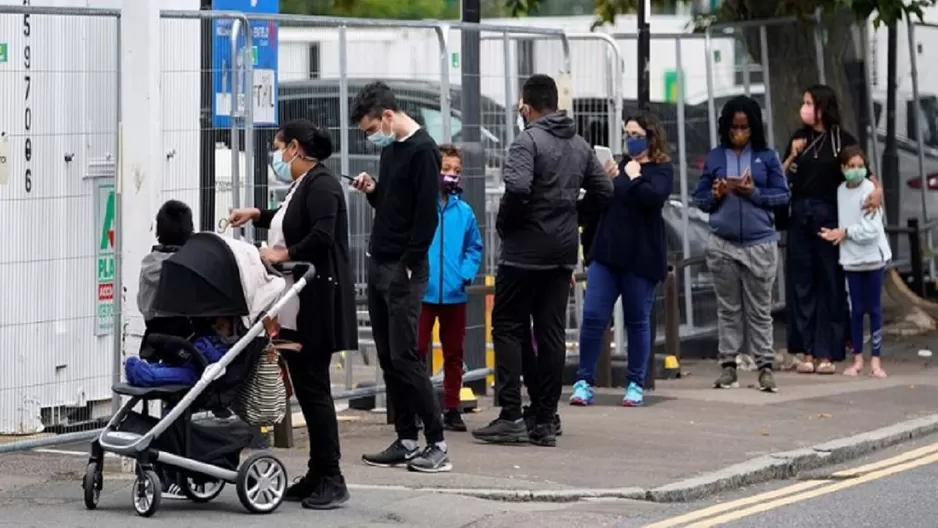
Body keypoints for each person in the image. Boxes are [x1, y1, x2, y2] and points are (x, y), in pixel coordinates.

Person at [471, 74, 613, 447]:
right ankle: (545, 418)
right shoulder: (580, 145)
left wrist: (508, 224)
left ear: (527, 105)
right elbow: (605, 190)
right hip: (562, 252)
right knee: (548, 332)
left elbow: (517, 189)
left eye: (521, 103)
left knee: (507, 325)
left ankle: (512, 414)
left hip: (524, 252)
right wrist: (573, 215)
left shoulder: (527, 140)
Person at [227, 118, 358, 509]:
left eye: (279, 146)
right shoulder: (304, 185)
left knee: (315, 388)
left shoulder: (323, 186)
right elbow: (290, 218)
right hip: (298, 302)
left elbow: (320, 234)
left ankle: (332, 476)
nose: (277, 155)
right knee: (307, 385)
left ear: (296, 148)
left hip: (316, 303)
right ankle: (319, 471)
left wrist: (281, 253)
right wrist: (256, 214)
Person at [348, 81, 451, 473]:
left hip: (403, 267)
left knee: (407, 356)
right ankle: (407, 437)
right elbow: (392, 201)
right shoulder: (392, 150)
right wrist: (373, 190)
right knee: (389, 356)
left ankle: (437, 442)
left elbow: (427, 214)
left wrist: (408, 264)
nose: (372, 137)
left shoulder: (423, 151)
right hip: (380, 260)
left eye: (372, 129)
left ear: (387, 117)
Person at [570, 110, 673, 407]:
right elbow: (596, 202)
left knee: (637, 320)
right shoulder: (620, 166)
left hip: (641, 257)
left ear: (651, 138)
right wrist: (605, 179)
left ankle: (635, 383)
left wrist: (636, 178)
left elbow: (653, 199)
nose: (631, 141)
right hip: (607, 253)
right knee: (592, 316)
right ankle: (584, 380)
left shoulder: (661, 169)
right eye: (628, 135)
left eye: (637, 136)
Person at [783, 85, 883, 375]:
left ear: (822, 107)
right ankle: (806, 351)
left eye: (809, 103)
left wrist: (877, 192)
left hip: (829, 214)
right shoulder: (799, 138)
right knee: (802, 282)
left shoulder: (842, 140)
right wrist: (792, 155)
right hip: (801, 215)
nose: (804, 108)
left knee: (829, 282)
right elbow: (781, 174)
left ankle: (828, 350)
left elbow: (867, 173)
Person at [693, 95, 790, 392]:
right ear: (725, 127)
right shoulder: (715, 157)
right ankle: (728, 367)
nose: (739, 132)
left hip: (760, 242)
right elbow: (700, 200)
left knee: (760, 310)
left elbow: (783, 196)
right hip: (723, 243)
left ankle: (764, 367)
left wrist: (754, 193)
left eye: (744, 126)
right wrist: (717, 194)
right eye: (734, 127)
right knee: (728, 309)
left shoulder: (768, 157)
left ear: (753, 127)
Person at [416, 144, 483, 432]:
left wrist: (465, 274)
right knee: (417, 351)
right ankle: (418, 408)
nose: (451, 175)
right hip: (423, 291)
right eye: (446, 169)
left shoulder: (464, 212)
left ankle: (452, 408)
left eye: (456, 170)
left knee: (454, 354)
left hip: (454, 294)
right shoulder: (421, 206)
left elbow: (474, 248)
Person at [820, 146, 891, 378]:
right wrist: (840, 234)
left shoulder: (871, 190)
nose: (856, 171)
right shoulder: (841, 191)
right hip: (851, 260)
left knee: (874, 310)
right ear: (842, 169)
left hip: (873, 258)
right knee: (856, 311)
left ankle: (877, 361)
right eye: (851, 166)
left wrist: (845, 232)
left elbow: (871, 229)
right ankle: (858, 360)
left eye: (860, 166)